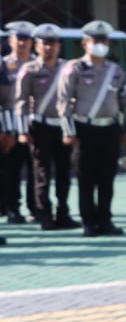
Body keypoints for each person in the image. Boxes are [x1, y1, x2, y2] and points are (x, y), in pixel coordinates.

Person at [59, 20, 126, 237]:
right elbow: (63, 101)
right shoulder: (74, 68)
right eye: (94, 40)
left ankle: (105, 220)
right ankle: (89, 222)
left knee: (107, 179)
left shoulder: (116, 70)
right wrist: (68, 131)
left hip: (109, 129)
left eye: (103, 40)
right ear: (85, 43)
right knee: (86, 178)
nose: (99, 44)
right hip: (84, 129)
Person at [14, 24, 76, 230]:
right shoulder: (30, 70)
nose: (49, 48)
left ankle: (63, 212)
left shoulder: (67, 68)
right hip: (40, 126)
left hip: (63, 126)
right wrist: (22, 131)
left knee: (64, 171)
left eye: (53, 44)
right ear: (37, 46)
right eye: (44, 44)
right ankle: (44, 214)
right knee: (41, 173)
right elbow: (21, 102)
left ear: (59, 46)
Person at [2, 20, 39, 223]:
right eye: (19, 39)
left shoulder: (38, 64)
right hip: (10, 125)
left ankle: (36, 207)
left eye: (26, 39)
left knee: (36, 169)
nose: (23, 43)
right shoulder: (3, 65)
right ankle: (12, 208)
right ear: (10, 40)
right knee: (11, 170)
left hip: (35, 124)